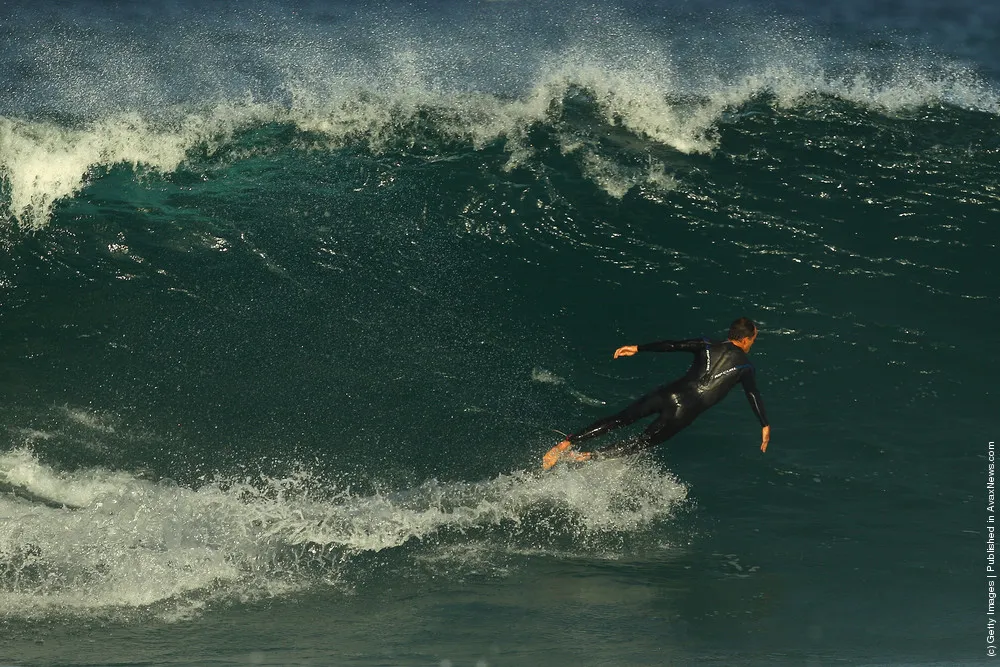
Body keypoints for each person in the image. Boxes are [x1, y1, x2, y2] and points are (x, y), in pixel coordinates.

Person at [542, 317, 770, 469]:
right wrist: (764, 425)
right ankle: (587, 457)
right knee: (640, 442)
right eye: (753, 339)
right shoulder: (745, 367)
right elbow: (752, 394)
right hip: (683, 412)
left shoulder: (707, 344)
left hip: (668, 394)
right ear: (745, 339)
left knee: (622, 418)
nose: (752, 343)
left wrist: (638, 348)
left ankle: (565, 444)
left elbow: (672, 345)